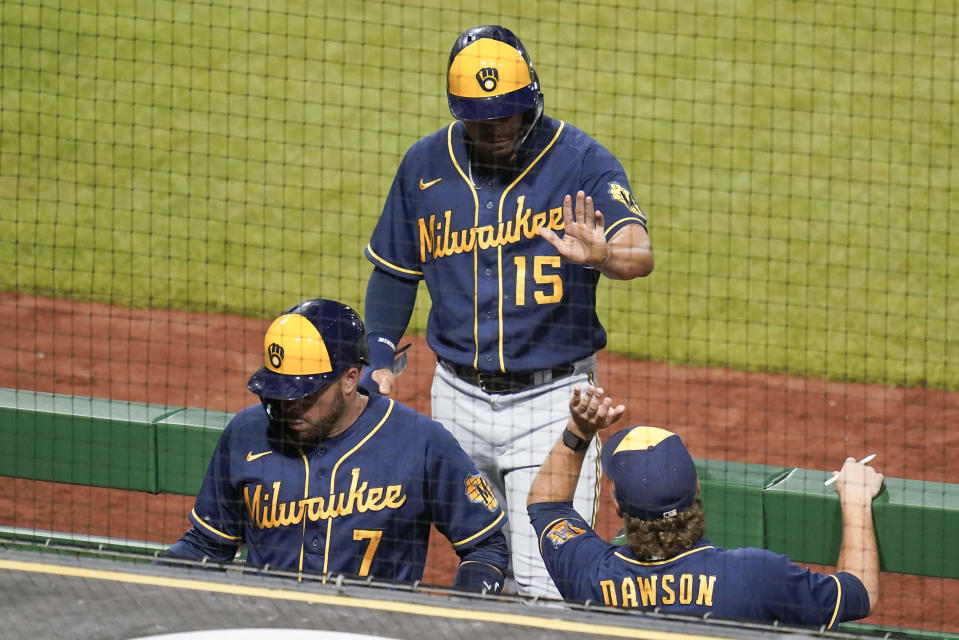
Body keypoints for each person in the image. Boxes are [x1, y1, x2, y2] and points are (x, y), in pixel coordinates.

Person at [362, 24, 654, 597]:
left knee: (546, 585)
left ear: (532, 101)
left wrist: (604, 254)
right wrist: (377, 355)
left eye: (508, 115)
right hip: (454, 402)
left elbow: (639, 254)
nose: (496, 128)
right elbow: (395, 271)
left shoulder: (579, 160)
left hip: (551, 406)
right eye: (480, 118)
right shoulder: (424, 163)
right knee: (477, 566)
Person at [160, 298, 508, 593]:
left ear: (350, 379)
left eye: (303, 395)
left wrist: (465, 610)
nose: (288, 407)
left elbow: (486, 545)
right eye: (279, 394)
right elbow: (207, 545)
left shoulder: (421, 442)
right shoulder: (246, 434)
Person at [527, 385, 884, 627]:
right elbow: (859, 594)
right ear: (696, 492)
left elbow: (547, 505)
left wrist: (580, 429)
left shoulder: (591, 573)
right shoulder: (755, 576)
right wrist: (855, 502)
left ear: (619, 509)